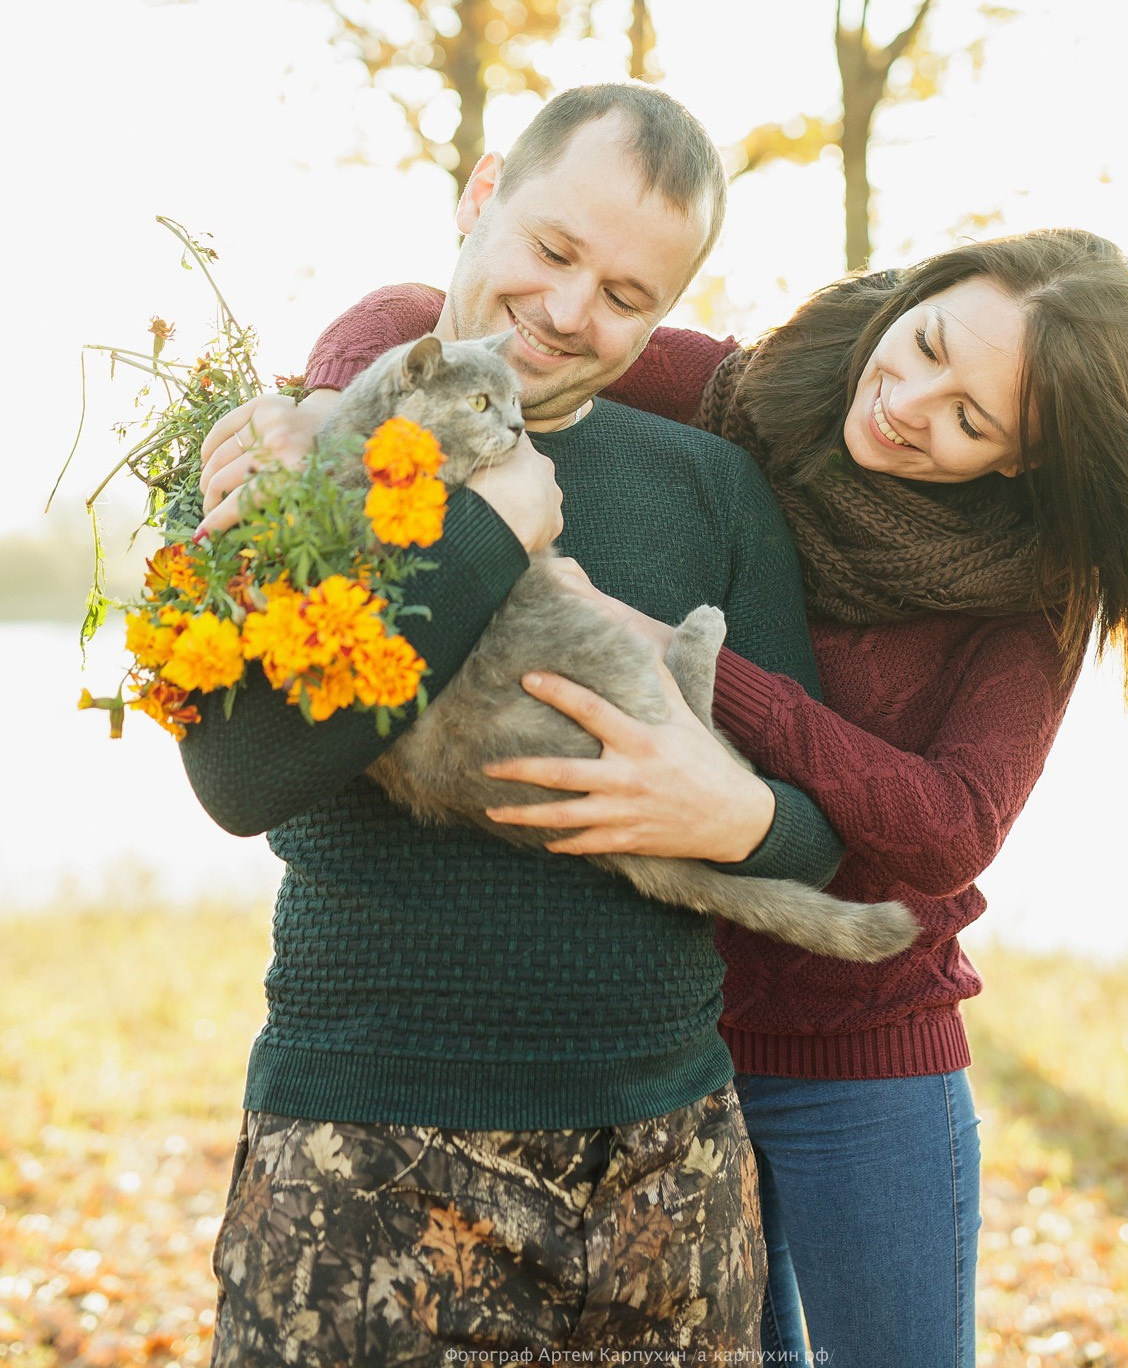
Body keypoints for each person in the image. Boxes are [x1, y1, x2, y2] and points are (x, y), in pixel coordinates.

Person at [311, 229, 1128, 1368]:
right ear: (909, 298)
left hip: (863, 1049)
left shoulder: (1030, 589)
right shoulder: (744, 396)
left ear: (1025, 461)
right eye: (923, 344)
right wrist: (317, 425)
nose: (907, 403)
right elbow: (416, 318)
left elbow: (950, 828)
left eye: (969, 419)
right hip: (670, 1051)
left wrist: (707, 671)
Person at [185, 82, 852, 1364]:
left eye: (625, 295)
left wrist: (743, 816)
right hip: (361, 1159)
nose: (566, 312)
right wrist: (490, 529)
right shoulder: (293, 461)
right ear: (481, 194)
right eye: (552, 251)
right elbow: (243, 771)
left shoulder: (706, 488)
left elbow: (818, 831)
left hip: (666, 1175)